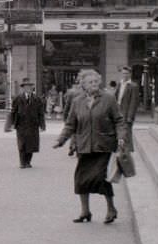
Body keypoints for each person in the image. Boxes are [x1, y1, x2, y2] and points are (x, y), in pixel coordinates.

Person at [53, 69, 126, 224]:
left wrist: (121, 138)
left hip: (103, 145)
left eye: (95, 81)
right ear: (83, 85)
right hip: (84, 145)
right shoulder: (77, 101)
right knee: (81, 180)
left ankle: (111, 209)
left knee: (102, 179)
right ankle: (85, 211)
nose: (94, 84)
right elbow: (70, 124)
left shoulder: (108, 99)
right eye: (90, 82)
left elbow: (119, 120)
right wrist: (61, 140)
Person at [10, 78, 46, 168]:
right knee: (22, 144)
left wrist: (42, 125)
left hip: (33, 124)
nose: (28, 88)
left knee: (31, 144)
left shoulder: (37, 99)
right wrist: (11, 124)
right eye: (26, 87)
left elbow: (41, 113)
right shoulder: (18, 98)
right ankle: (22, 162)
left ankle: (28, 161)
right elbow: (13, 112)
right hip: (21, 124)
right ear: (23, 88)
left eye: (30, 87)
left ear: (32, 88)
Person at [115, 66, 140, 152]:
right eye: (123, 73)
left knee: (127, 133)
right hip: (118, 111)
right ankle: (120, 149)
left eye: (126, 73)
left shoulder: (133, 86)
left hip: (126, 113)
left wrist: (130, 117)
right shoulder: (119, 84)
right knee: (119, 132)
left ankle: (127, 151)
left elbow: (134, 103)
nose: (124, 75)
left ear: (130, 74)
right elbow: (116, 98)